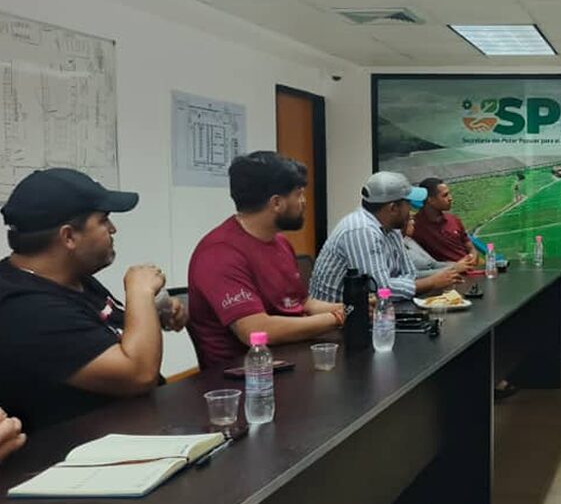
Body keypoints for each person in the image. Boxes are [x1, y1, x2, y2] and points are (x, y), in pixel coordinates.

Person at [0, 169, 185, 431]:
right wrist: (140, 293)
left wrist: (151, 314)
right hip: (85, 449)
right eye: (104, 220)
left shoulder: (69, 277)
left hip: (136, 425)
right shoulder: (22, 308)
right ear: (69, 237)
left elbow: (105, 331)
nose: (113, 229)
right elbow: (138, 374)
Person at [187, 152, 345, 369]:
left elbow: (302, 304)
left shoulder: (280, 242)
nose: (303, 202)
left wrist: (351, 307)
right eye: (298, 194)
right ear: (277, 203)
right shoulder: (219, 253)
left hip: (290, 359)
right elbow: (256, 330)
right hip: (243, 377)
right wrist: (337, 318)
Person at [308, 172, 466, 303]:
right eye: (408, 203)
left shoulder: (391, 228)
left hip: (376, 312)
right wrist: (430, 283)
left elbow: (408, 273)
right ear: (393, 208)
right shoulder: (361, 230)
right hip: (338, 322)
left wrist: (443, 275)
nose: (411, 209)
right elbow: (380, 290)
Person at [411, 178, 478, 264]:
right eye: (445, 195)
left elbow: (470, 247)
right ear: (430, 200)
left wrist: (472, 257)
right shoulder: (415, 226)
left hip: (470, 269)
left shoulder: (453, 220)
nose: (450, 198)